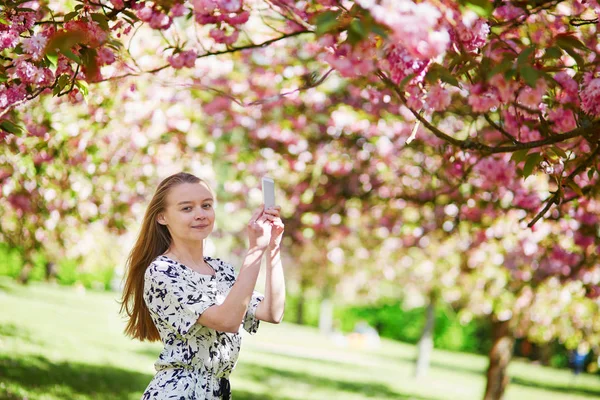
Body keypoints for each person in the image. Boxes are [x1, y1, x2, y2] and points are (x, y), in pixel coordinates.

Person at [120, 172, 285, 399]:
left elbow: (271, 312)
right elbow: (226, 321)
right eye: (187, 208)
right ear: (162, 217)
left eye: (206, 205)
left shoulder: (222, 270)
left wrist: (272, 246)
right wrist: (255, 250)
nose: (200, 214)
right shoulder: (163, 271)